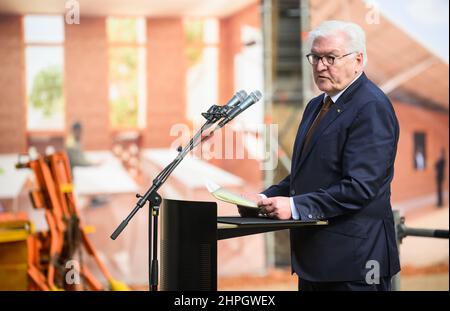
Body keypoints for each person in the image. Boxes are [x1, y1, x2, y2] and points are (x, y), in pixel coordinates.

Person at [239, 20, 400, 291]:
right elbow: (308, 172)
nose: (320, 66)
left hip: (355, 264)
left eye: (331, 57)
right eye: (315, 57)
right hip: (317, 262)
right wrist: (265, 198)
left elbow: (360, 187)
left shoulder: (372, 107)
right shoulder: (317, 105)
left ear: (358, 60)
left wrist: (294, 207)